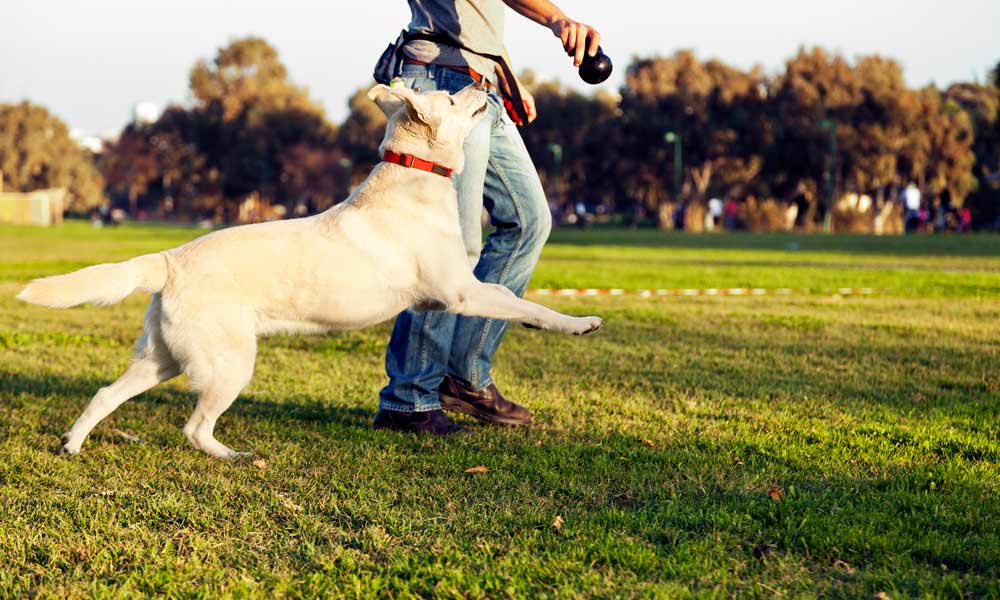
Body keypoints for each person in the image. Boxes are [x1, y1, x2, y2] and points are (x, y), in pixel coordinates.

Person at [373, 0, 603, 435]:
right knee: (451, 250)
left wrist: (504, 73)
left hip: (482, 86)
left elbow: (476, 15)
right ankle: (409, 399)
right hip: (440, 83)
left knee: (529, 220)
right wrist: (558, 19)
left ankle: (463, 376)